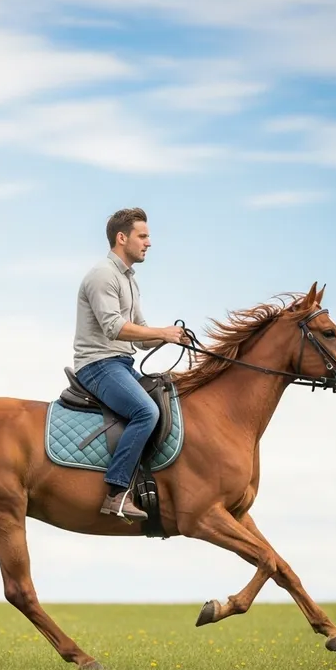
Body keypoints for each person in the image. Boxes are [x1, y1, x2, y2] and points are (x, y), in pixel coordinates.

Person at [73, 208, 187, 521]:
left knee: (169, 401)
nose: (149, 243)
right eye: (143, 236)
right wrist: (161, 332)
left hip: (121, 364)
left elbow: (140, 336)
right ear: (122, 238)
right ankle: (116, 494)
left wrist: (169, 337)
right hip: (97, 365)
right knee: (146, 411)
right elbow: (114, 327)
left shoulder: (129, 281)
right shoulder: (102, 276)